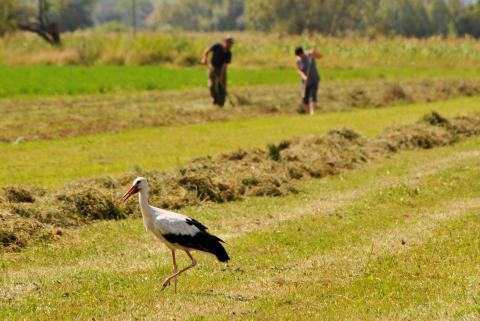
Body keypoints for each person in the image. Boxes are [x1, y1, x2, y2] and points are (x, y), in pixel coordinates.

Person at [200, 36, 234, 107]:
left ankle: (221, 102)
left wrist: (221, 75)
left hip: (221, 69)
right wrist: (204, 58)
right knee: (211, 85)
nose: (230, 45)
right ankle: (215, 99)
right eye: (229, 43)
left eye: (231, 43)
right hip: (212, 68)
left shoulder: (229, 53)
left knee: (221, 86)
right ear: (225, 42)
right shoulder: (217, 46)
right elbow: (207, 50)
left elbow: (224, 66)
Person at [295, 46, 322, 115]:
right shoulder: (298, 59)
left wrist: (315, 53)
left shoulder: (309, 55)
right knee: (305, 98)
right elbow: (298, 70)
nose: (300, 57)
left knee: (312, 96)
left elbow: (320, 56)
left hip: (314, 79)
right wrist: (303, 76)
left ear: (303, 52)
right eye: (299, 56)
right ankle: (307, 112)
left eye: (301, 55)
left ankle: (312, 112)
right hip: (305, 82)